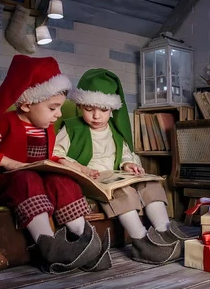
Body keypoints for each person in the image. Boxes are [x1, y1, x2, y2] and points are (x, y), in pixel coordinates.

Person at [0, 55, 111, 274]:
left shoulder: (46, 127)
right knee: (26, 178)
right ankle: (47, 243)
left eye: (59, 108)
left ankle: (84, 239)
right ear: (27, 103)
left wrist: (74, 166)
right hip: (3, 184)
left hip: (35, 181)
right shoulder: (3, 123)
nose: (58, 114)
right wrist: (7, 162)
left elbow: (46, 158)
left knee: (61, 180)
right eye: (53, 108)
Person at [53, 68, 192, 265]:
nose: (96, 116)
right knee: (123, 193)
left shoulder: (114, 131)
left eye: (103, 110)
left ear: (112, 110)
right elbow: (56, 154)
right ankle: (140, 240)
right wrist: (79, 167)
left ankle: (164, 231)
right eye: (89, 109)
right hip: (91, 177)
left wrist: (128, 164)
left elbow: (126, 152)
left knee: (151, 185)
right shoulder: (72, 127)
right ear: (80, 106)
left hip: (115, 174)